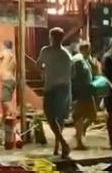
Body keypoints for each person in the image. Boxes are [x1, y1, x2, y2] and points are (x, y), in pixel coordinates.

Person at [37, 27, 73, 158]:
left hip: (52, 88)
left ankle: (64, 144)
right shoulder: (67, 55)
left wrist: (44, 71)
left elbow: (38, 64)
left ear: (51, 38)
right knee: (60, 118)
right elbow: (72, 73)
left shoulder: (46, 51)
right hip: (65, 88)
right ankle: (58, 148)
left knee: (50, 117)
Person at [71, 41, 96, 150]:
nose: (90, 50)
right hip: (80, 93)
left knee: (93, 115)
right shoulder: (78, 60)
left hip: (87, 92)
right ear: (84, 49)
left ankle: (81, 132)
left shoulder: (86, 59)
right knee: (79, 117)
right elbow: (72, 76)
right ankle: (79, 141)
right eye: (88, 48)